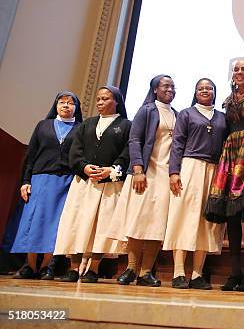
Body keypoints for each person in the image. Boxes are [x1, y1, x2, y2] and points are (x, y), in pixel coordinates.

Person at [54, 86, 130, 283]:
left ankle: (93, 269)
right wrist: (84, 167)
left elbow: (126, 153)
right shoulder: (86, 124)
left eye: (105, 99)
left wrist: (111, 170)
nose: (100, 102)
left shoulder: (126, 125)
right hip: (84, 183)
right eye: (98, 99)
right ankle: (73, 268)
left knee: (100, 228)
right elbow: (75, 151)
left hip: (108, 186)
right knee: (77, 225)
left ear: (116, 102)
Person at [106, 75, 176, 287]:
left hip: (165, 175)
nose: (170, 90)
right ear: (155, 89)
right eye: (166, 86)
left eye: (173, 86)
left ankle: (146, 272)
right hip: (145, 173)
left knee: (157, 224)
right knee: (138, 220)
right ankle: (131, 268)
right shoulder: (147, 110)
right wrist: (137, 169)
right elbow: (134, 139)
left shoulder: (177, 114)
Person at [11, 91, 83, 280]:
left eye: (70, 102)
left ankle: (47, 266)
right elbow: (30, 156)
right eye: (62, 102)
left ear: (76, 107)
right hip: (40, 179)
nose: (66, 105)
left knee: (55, 224)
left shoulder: (80, 129)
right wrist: (25, 181)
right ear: (56, 105)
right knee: (34, 221)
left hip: (66, 181)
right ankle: (30, 265)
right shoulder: (43, 126)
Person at [163, 78, 226, 289]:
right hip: (189, 167)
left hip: (214, 170)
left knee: (207, 222)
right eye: (201, 88)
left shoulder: (222, 118)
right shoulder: (186, 114)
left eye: (209, 87)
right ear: (195, 92)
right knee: (183, 217)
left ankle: (198, 274)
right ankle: (179, 272)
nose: (205, 90)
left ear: (215, 92)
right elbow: (177, 144)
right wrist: (174, 172)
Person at [205, 60, 244, 292]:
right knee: (231, 215)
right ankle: (235, 272)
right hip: (230, 154)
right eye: (236, 69)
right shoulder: (228, 99)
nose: (239, 72)